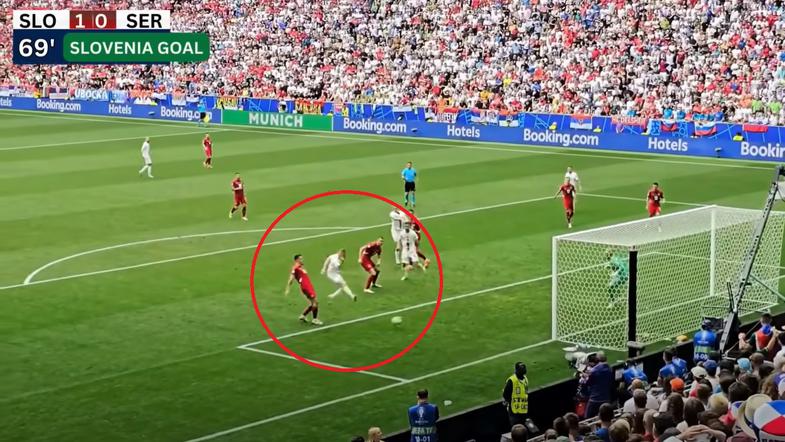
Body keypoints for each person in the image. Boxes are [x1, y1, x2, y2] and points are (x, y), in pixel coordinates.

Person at [284, 254, 323, 325]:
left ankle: (303, 316)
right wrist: (288, 288)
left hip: (307, 286)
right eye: (300, 259)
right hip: (306, 286)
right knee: (315, 302)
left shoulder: (300, 267)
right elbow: (291, 278)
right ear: (296, 260)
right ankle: (315, 319)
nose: (302, 260)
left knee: (312, 303)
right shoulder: (296, 268)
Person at [584, 352, 613, 418]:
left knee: (587, 419)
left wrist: (585, 375)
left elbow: (587, 382)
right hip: (606, 398)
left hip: (595, 399)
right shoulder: (610, 369)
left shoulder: (593, 371)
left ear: (597, 359)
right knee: (606, 417)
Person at [502, 362, 529, 427]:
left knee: (521, 428)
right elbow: (505, 394)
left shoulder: (525, 379)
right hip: (515, 410)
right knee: (518, 428)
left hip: (522, 409)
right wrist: (509, 401)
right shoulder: (512, 380)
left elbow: (525, 393)